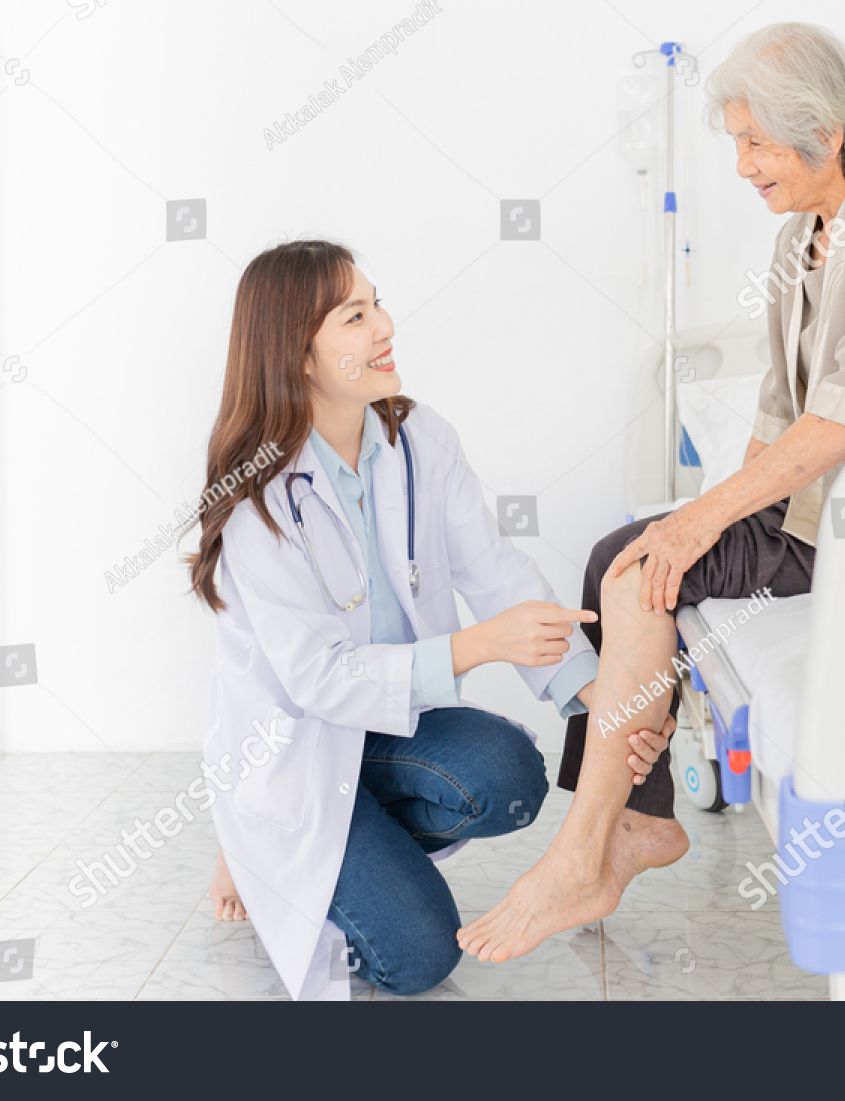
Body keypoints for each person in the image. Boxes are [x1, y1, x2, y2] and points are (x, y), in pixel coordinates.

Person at [458, 21, 845, 963]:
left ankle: (590, 846)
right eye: (737, 141)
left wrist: (697, 528)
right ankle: (635, 818)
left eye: (756, 141)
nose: (744, 164)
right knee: (627, 556)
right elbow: (774, 413)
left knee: (633, 570)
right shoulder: (802, 240)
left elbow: (844, 422)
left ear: (826, 134)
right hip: (818, 519)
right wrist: (692, 525)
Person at [188, 240, 669, 998]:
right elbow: (317, 680)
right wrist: (479, 646)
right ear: (299, 354)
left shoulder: (417, 439)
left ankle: (353, 849)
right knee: (419, 960)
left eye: (377, 302)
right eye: (354, 315)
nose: (383, 325)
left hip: (386, 730)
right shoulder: (259, 496)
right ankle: (267, 850)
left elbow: (495, 569)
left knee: (510, 774)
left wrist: (594, 693)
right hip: (297, 752)